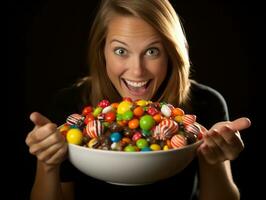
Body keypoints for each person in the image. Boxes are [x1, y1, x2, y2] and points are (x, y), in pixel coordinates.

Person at [25, 0, 251, 199]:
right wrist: (47, 163)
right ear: (101, 49)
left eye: (152, 51)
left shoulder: (205, 104)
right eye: (121, 51)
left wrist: (215, 159)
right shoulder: (70, 107)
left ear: (171, 52)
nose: (137, 72)